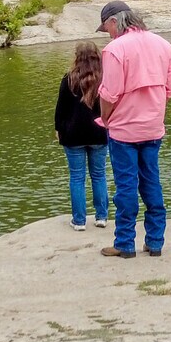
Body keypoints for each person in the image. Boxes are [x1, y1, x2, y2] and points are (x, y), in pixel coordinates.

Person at [94, 0, 171, 259]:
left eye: (106, 27)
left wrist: (106, 119)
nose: (107, 33)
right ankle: (155, 242)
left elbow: (109, 94)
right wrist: (153, 106)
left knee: (126, 187)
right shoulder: (163, 44)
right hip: (153, 128)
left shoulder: (115, 49)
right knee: (152, 183)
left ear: (113, 22)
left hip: (123, 131)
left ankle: (125, 243)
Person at [55, 41, 111, 230]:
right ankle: (101, 216)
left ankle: (79, 221)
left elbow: (60, 108)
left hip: (73, 135)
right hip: (99, 133)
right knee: (99, 175)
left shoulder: (69, 79)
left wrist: (58, 129)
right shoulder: (105, 78)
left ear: (77, 58)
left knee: (77, 178)